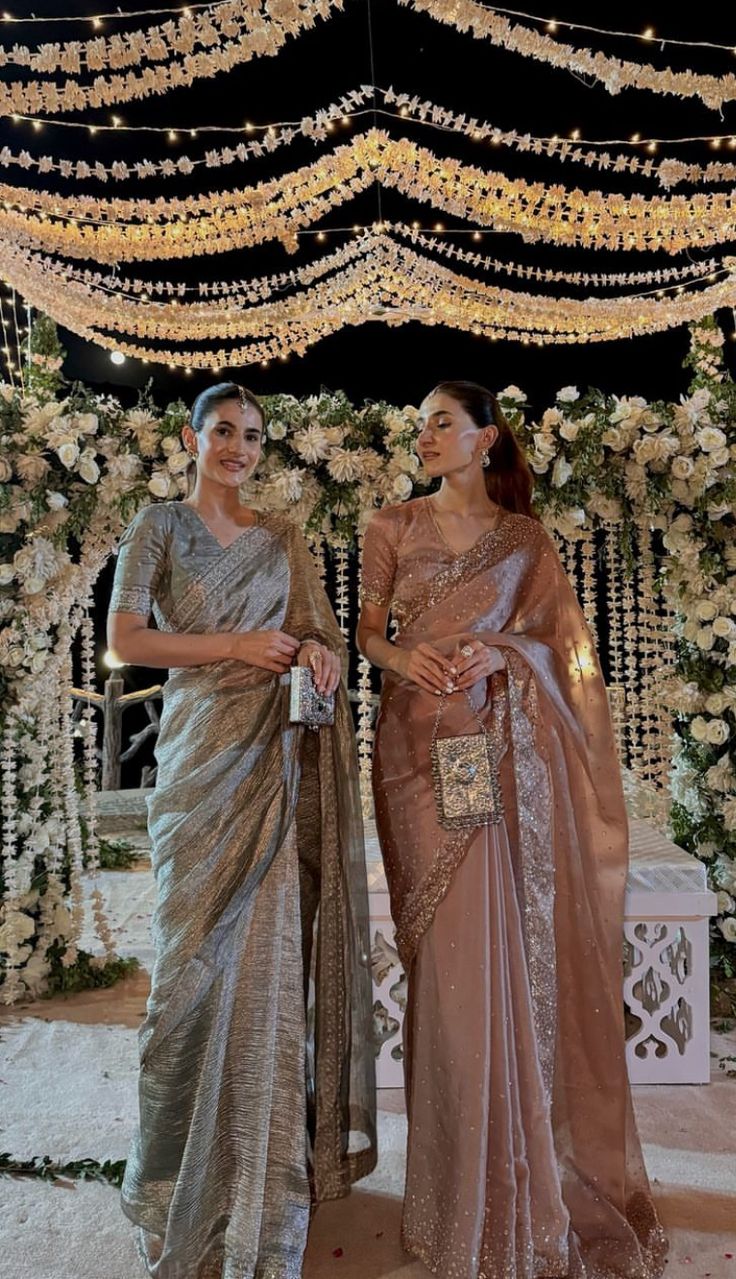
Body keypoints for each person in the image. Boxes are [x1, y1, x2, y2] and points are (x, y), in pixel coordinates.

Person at [357, 381, 667, 1279]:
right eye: (421, 424)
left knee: (486, 958)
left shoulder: (527, 542)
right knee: (441, 967)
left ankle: (508, 1182)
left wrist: (504, 650)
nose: (425, 435)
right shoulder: (391, 526)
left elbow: (566, 656)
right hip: (418, 752)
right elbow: (371, 634)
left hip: (495, 754)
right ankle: (450, 1188)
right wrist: (401, 655)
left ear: (485, 438)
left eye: (441, 422)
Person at [108, 382, 376, 1279]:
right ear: (192, 438)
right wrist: (232, 646)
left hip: (270, 766)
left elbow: (310, 635)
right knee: (185, 970)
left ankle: (262, 1188)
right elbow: (126, 640)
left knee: (262, 971)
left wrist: (320, 650)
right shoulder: (159, 528)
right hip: (196, 768)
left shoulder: (284, 538)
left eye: (253, 435)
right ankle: (170, 1181)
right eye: (223, 430)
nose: (238, 447)